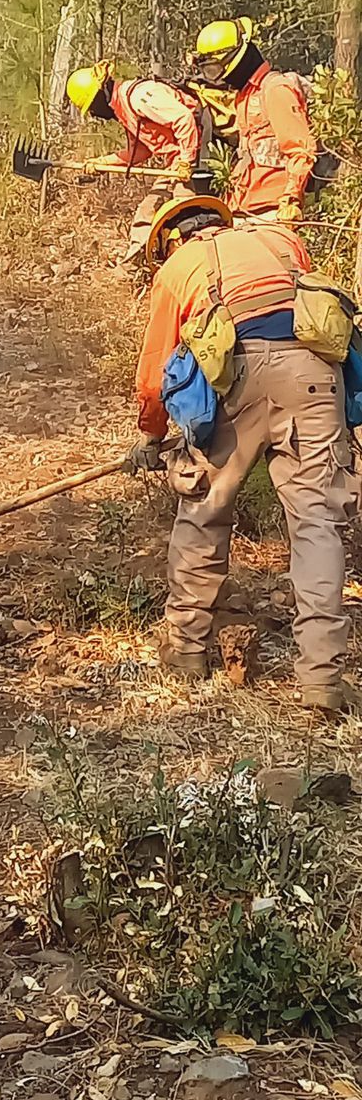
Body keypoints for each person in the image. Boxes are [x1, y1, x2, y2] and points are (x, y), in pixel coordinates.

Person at [130, 192, 360, 714]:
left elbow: (153, 378)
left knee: (205, 510)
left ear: (171, 238)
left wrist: (151, 435)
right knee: (318, 525)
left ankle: (187, 651)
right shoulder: (281, 240)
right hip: (313, 380)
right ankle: (321, 681)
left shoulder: (177, 268)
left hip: (236, 380)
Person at [66, 62, 207, 260]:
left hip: (200, 153)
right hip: (178, 162)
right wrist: (102, 162)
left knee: (182, 207)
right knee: (148, 210)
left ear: (101, 94)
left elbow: (183, 119)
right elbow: (140, 152)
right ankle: (136, 265)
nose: (96, 115)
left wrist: (186, 161)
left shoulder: (139, 97)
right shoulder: (124, 110)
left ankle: (192, 260)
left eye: (93, 106)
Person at [191, 18, 318, 223]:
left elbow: (300, 149)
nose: (217, 77)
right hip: (244, 207)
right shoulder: (244, 97)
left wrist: (291, 200)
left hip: (272, 210)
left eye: (214, 69)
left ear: (234, 59)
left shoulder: (275, 89)